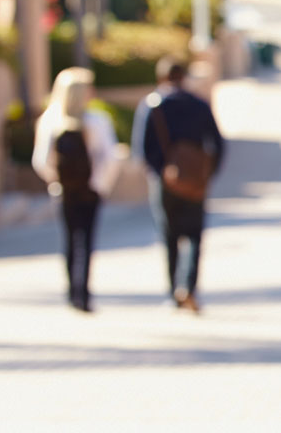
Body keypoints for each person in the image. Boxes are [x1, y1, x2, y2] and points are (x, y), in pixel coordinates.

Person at [32, 67, 120, 312]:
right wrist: (99, 184)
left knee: (70, 241)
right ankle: (83, 293)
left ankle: (73, 292)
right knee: (86, 240)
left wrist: (57, 180)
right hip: (90, 191)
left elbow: (41, 160)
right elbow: (109, 158)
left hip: (65, 192)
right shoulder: (96, 121)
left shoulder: (50, 121)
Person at [140, 58, 224, 314]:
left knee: (170, 237)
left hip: (166, 182)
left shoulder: (153, 105)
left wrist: (161, 173)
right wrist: (207, 174)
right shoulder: (198, 104)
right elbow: (218, 143)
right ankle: (189, 286)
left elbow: (143, 148)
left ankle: (173, 292)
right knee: (195, 236)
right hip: (196, 180)